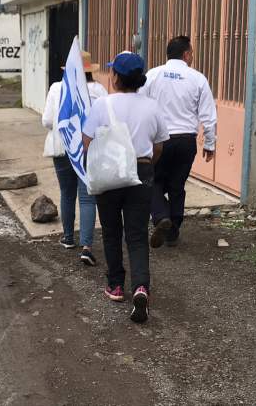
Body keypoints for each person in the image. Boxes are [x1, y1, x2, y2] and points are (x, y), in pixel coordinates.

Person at [82, 52, 169, 323]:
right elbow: (158, 147)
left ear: (116, 77)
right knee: (137, 235)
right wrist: (145, 166)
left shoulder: (101, 105)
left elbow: (87, 143)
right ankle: (141, 287)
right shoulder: (152, 107)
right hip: (141, 172)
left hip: (109, 171)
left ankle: (116, 285)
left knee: (111, 232)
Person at [140, 36, 217, 248]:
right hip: (186, 141)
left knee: (152, 180)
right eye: (191, 53)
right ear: (186, 54)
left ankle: (160, 216)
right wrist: (209, 144)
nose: (192, 57)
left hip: (159, 141)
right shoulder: (198, 79)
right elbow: (208, 116)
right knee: (177, 185)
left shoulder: (153, 75)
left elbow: (140, 104)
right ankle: (173, 230)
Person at [42, 51, 108, 266]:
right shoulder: (99, 90)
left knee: (67, 193)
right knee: (87, 198)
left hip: (62, 147)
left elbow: (47, 121)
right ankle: (87, 247)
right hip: (88, 148)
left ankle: (68, 238)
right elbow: (106, 122)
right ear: (89, 70)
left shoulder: (56, 88)